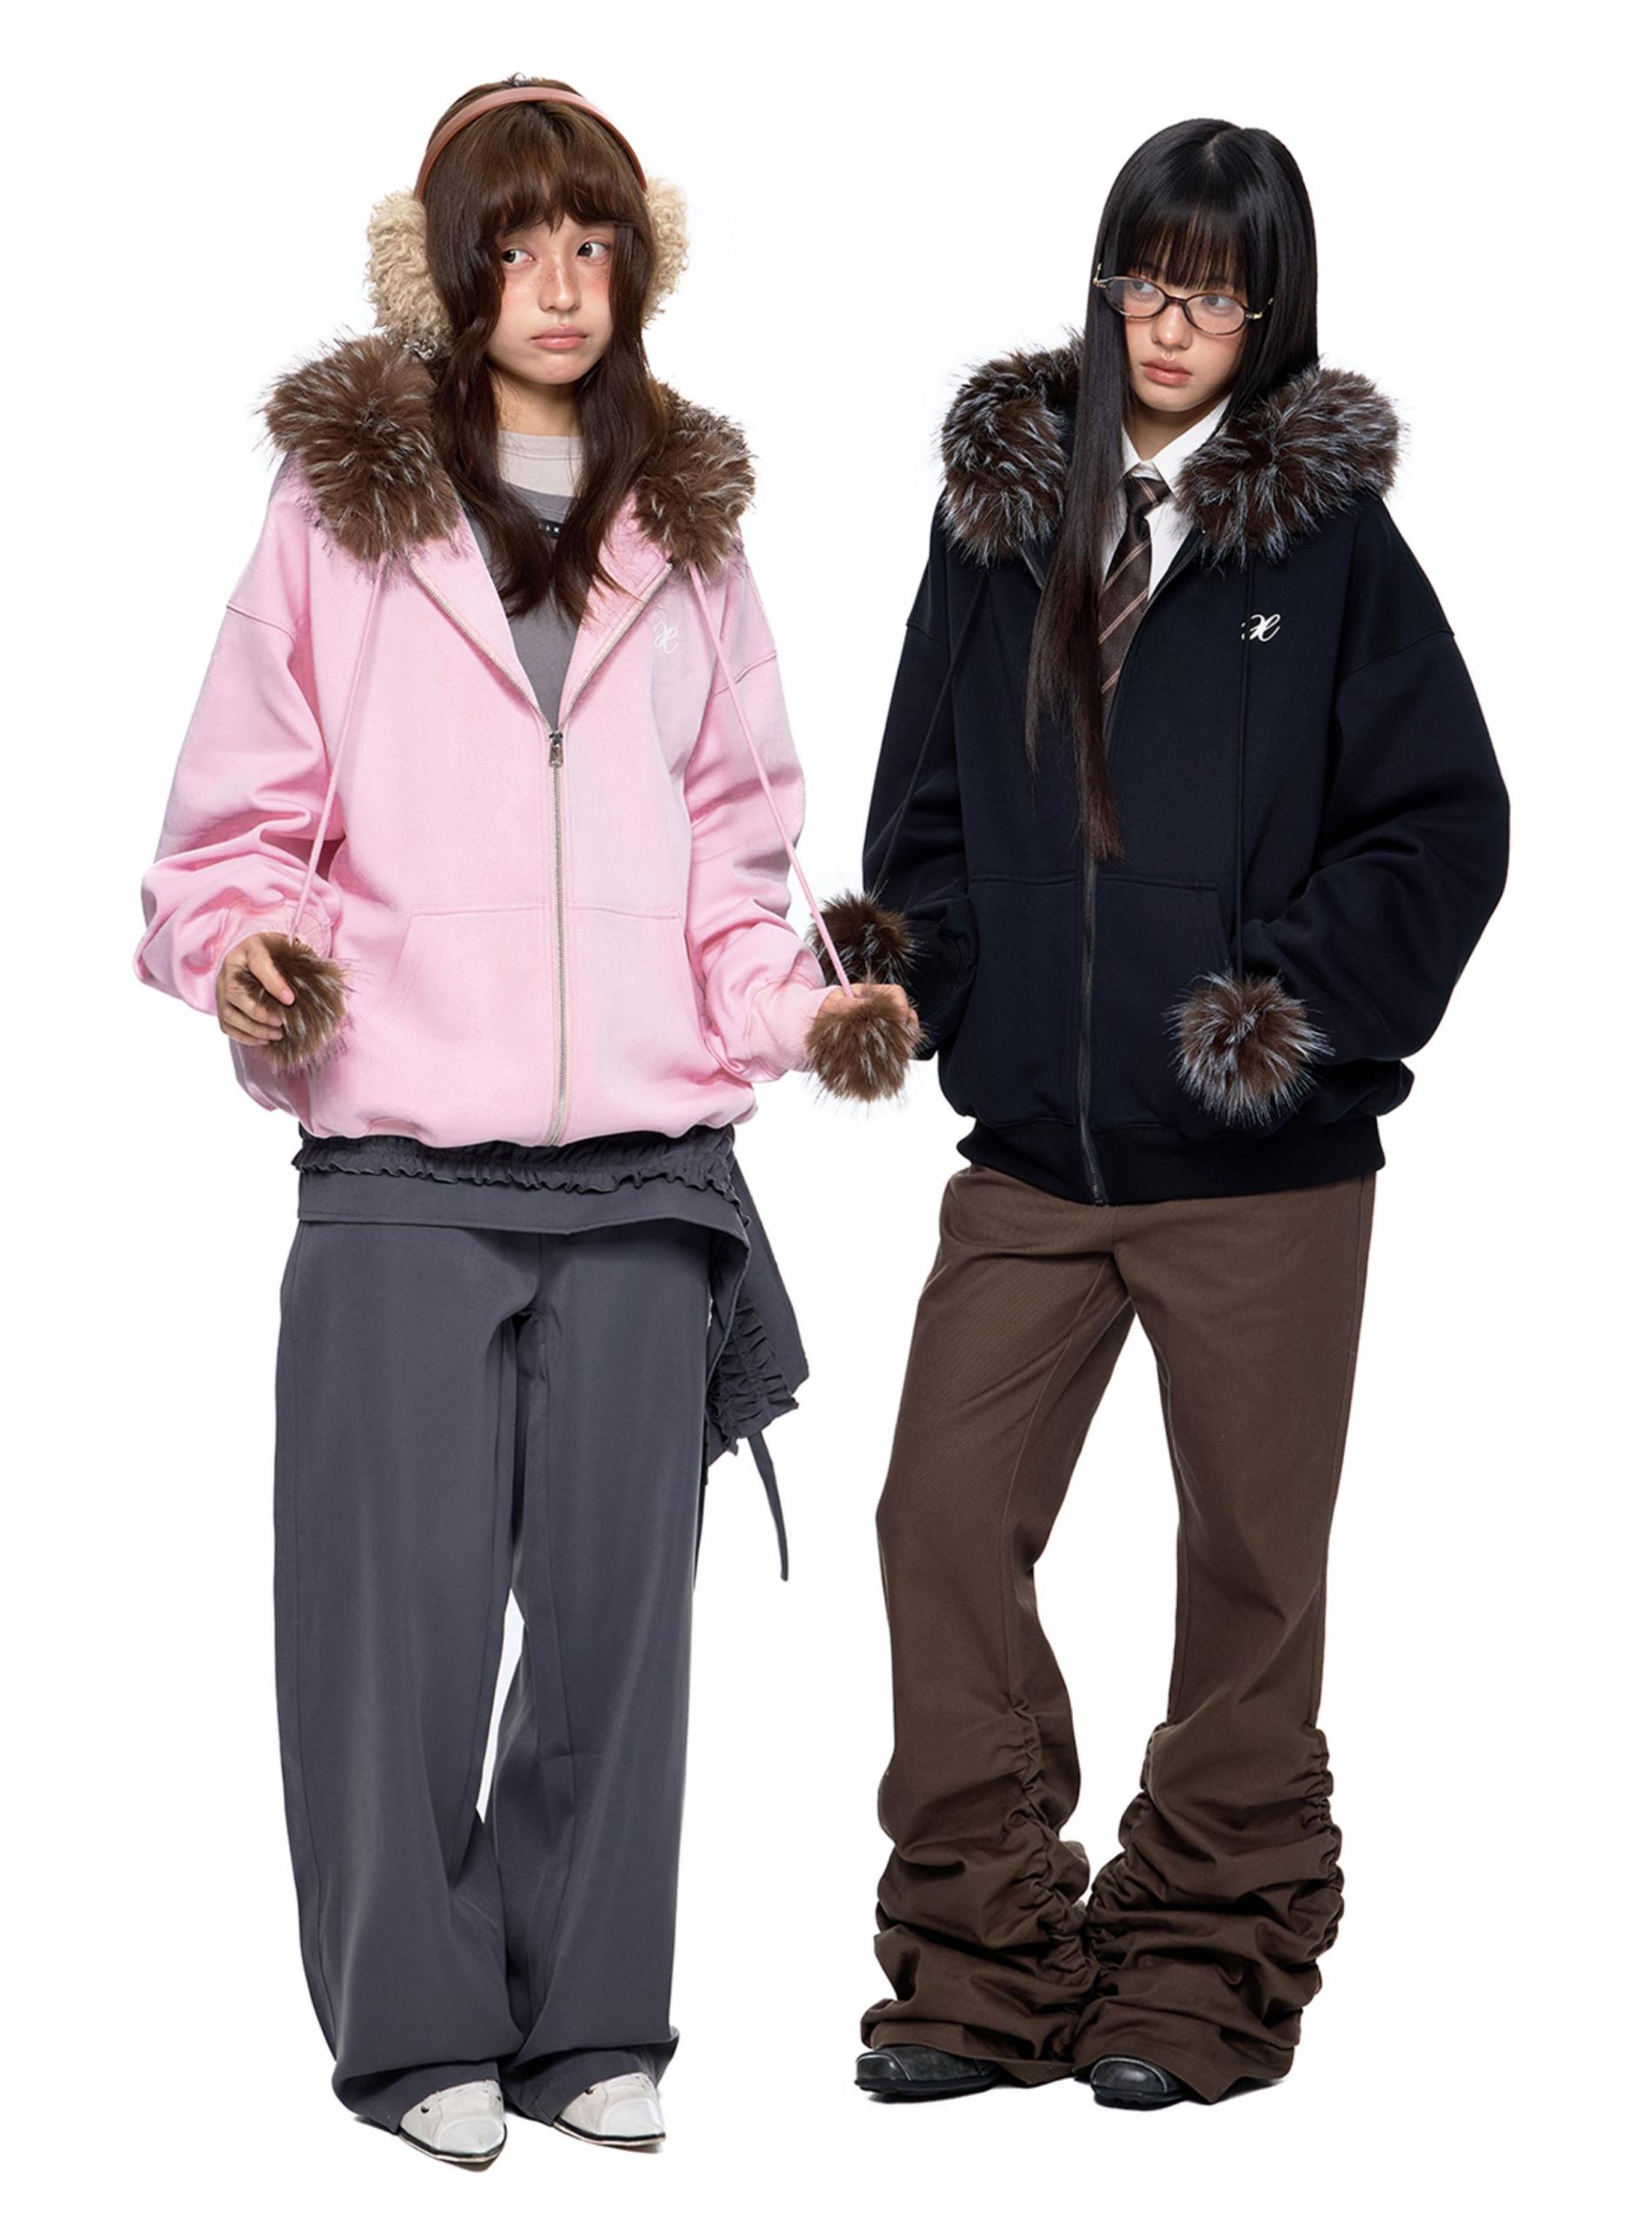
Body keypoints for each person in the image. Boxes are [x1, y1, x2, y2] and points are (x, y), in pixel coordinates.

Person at [133, 74, 914, 2166]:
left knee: (614, 1633)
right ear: (449, 267)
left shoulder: (692, 529)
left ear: (636, 268)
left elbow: (735, 856)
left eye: (596, 247)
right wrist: (250, 956)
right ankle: (414, 2037)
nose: (562, 286)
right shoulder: (340, 514)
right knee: (385, 1629)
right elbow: (229, 832)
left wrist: (811, 1006)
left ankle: (588, 2021)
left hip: (646, 1173)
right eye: (521, 247)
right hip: (403, 1159)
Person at [814, 117, 1510, 2112]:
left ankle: (1203, 1962)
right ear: (1108, 279)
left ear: (1272, 309)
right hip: (1036, 1155)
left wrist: (1274, 1018)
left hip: (1261, 1167)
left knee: (1250, 1566)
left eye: (1217, 289)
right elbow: (924, 814)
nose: (1174, 321)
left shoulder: (1330, 548)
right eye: (1148, 277)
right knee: (939, 1516)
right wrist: (923, 982)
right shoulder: (998, 524)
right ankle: (982, 1951)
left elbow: (1445, 827)